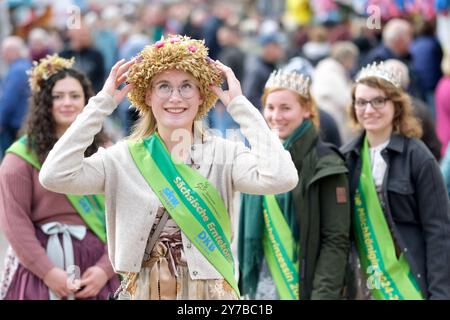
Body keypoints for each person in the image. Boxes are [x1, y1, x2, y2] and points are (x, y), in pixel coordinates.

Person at [38, 35, 298, 300]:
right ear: (148, 96)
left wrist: (240, 107)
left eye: (187, 86)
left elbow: (282, 177)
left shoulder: (225, 154)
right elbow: (54, 174)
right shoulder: (122, 158)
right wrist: (102, 104)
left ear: (201, 96)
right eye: (164, 86)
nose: (176, 97)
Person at [0, 54, 119, 300]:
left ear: (87, 102)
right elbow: (14, 223)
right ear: (45, 103)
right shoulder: (21, 157)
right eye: (58, 96)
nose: (67, 103)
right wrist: (49, 273)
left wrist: (104, 269)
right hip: (40, 270)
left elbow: (125, 216)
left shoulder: (107, 152)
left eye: (75, 96)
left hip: (97, 270)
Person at [341, 62, 450, 299]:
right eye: (361, 102)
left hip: (410, 282)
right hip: (365, 284)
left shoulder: (418, 157)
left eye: (378, 101)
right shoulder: (346, 158)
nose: (369, 110)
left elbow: (439, 231)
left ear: (396, 104)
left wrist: (440, 293)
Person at [238, 69, 351, 300]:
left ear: (307, 110)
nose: (276, 116)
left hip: (304, 287)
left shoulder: (326, 163)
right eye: (270, 107)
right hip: (260, 286)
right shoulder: (255, 156)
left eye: (286, 108)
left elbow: (335, 241)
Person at [0, 36, 32, 158]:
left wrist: (0, 120)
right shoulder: (25, 66)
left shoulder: (17, 70)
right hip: (23, 121)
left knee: (11, 157)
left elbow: (8, 100)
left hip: (14, 124)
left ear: (13, 51)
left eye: (4, 51)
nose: (2, 55)